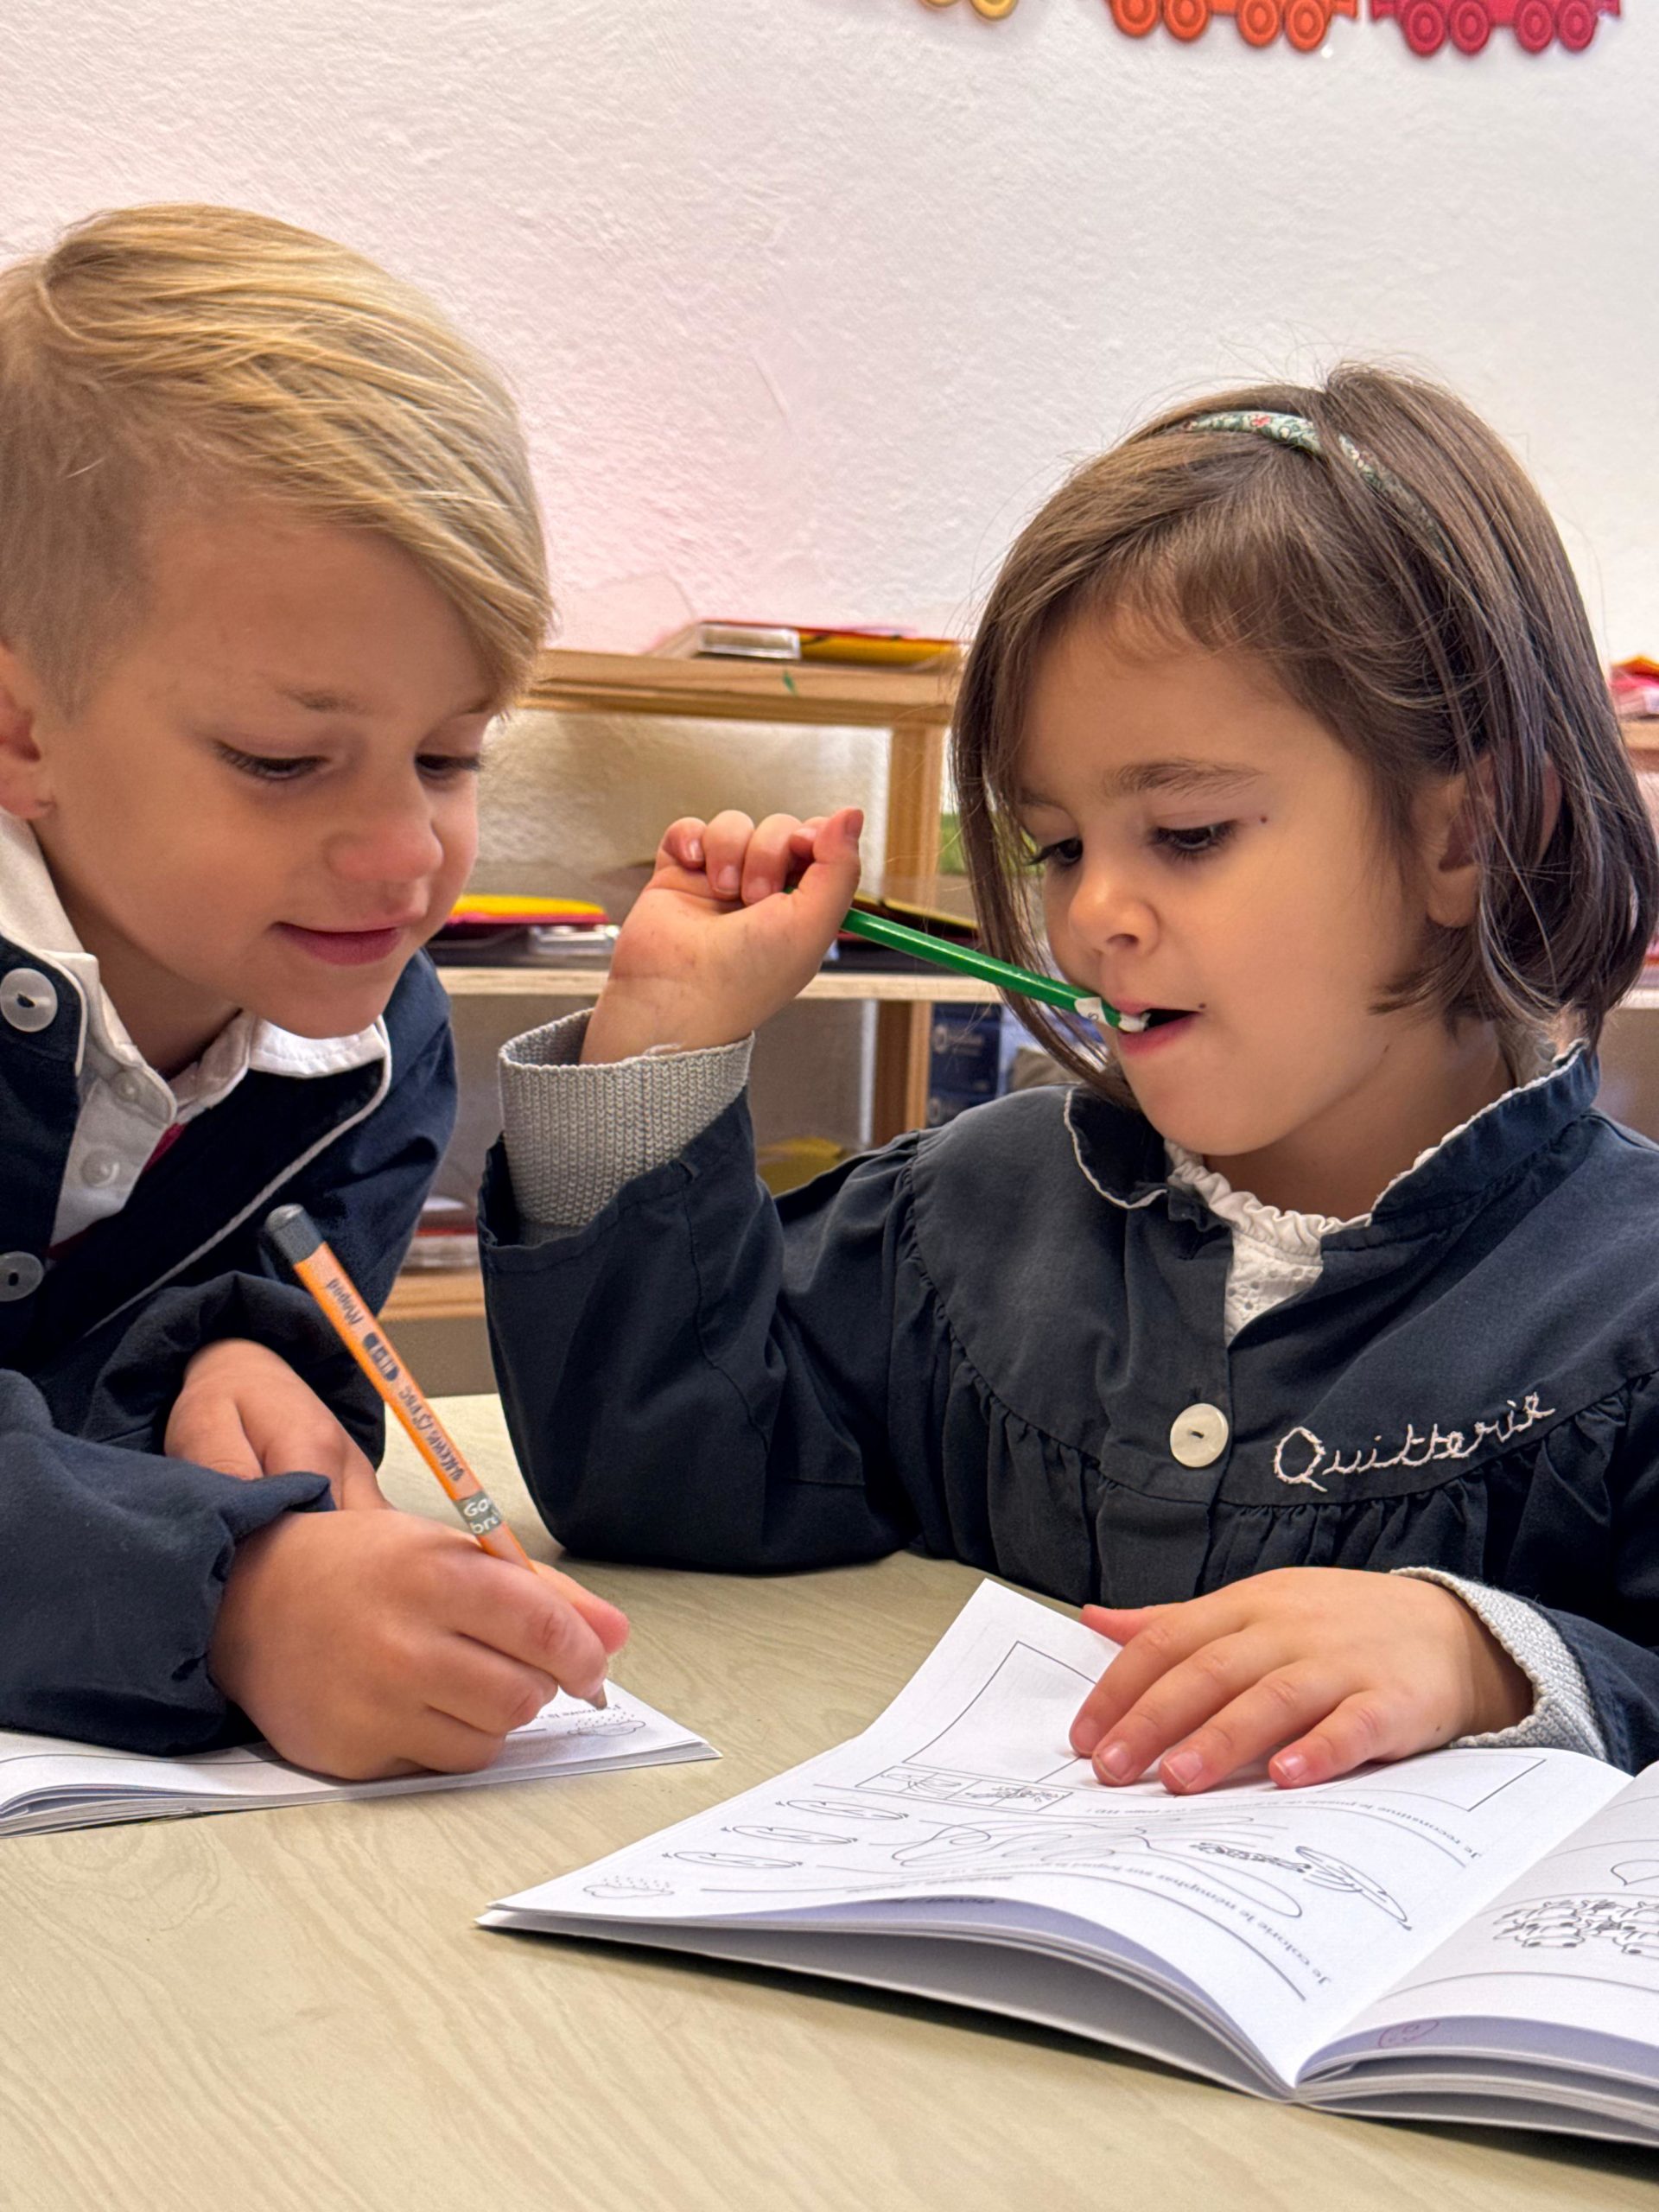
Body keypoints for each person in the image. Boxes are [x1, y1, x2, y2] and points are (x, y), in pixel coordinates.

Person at [482, 366, 1659, 1794]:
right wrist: (662, 1041)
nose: (1094, 910)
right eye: (1056, 846)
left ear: (1465, 835)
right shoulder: (969, 1213)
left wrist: (1493, 1658)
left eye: (1189, 830)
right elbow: (658, 1481)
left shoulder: (1631, 1306)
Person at [0, 204, 624, 1775]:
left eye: (453, 754)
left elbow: (287, 1336)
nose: (406, 856)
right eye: (285, 762)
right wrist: (224, 1598)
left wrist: (234, 1363)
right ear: (20, 731)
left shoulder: (367, 1018)